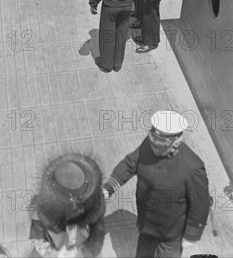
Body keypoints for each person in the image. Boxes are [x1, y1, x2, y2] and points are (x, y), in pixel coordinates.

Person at [103, 110, 210, 257]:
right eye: (153, 142)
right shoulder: (150, 144)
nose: (153, 148)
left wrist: (192, 233)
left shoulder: (192, 167)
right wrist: (107, 190)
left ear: (175, 143)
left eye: (159, 146)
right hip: (146, 225)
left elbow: (200, 203)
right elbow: (129, 164)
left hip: (171, 233)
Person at [29, 153, 105, 258]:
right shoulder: (41, 212)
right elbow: (37, 235)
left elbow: (97, 235)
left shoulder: (94, 210)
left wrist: (85, 253)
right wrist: (49, 254)